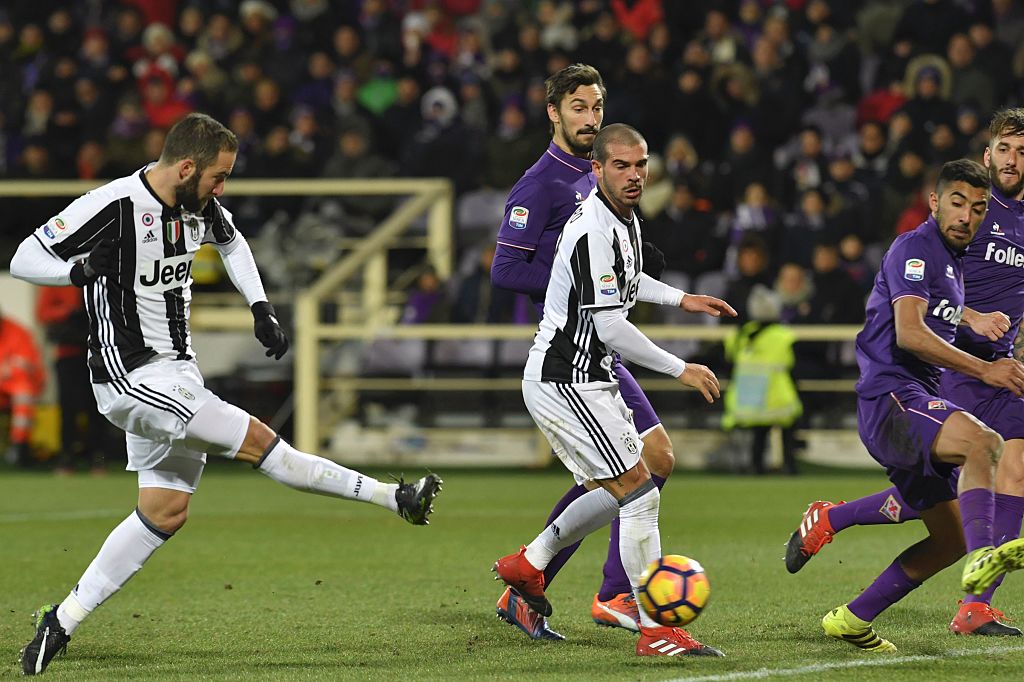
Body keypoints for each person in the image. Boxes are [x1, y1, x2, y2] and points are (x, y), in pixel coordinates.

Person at [10, 113, 442, 676]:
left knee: (164, 511)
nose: (223, 189)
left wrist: (259, 306)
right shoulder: (113, 205)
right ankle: (395, 498)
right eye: (218, 177)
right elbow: (23, 257)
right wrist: (77, 271)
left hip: (177, 373)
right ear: (186, 167)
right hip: (130, 376)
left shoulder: (199, 206)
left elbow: (234, 244)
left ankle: (59, 622)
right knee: (262, 444)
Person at [489, 63, 730, 641]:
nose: (589, 119)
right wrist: (678, 365)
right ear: (554, 112)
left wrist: (681, 298)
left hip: (599, 354)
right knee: (634, 488)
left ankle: (547, 570)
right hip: (572, 356)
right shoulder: (545, 187)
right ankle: (643, 616)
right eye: (579, 108)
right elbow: (507, 269)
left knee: (651, 467)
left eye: (597, 108)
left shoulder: (615, 204)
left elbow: (625, 278)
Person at [787, 109, 1024, 636]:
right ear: (935, 201)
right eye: (958, 204)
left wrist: (977, 324)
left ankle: (852, 616)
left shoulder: (954, 262)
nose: (967, 216)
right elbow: (911, 332)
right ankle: (984, 568)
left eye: (977, 209)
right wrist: (983, 365)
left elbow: (942, 315)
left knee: (947, 532)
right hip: (894, 395)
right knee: (984, 448)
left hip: (924, 393)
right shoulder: (916, 247)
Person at [721, 285, 802, 475]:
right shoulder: (784, 335)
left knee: (758, 434)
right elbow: (794, 365)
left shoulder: (740, 334)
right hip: (777, 397)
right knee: (786, 432)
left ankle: (755, 466)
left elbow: (728, 359)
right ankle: (789, 466)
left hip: (747, 399)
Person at [35, 286, 110, 474]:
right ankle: (67, 459)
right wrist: (69, 312)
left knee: (97, 407)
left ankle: (98, 459)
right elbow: (43, 312)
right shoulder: (57, 279)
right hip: (68, 352)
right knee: (68, 408)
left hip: (97, 353)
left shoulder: (101, 279)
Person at [0, 309, 45, 467]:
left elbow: (26, 365)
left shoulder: (17, 331)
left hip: (15, 385)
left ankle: (19, 447)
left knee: (23, 393)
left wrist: (9, 368)